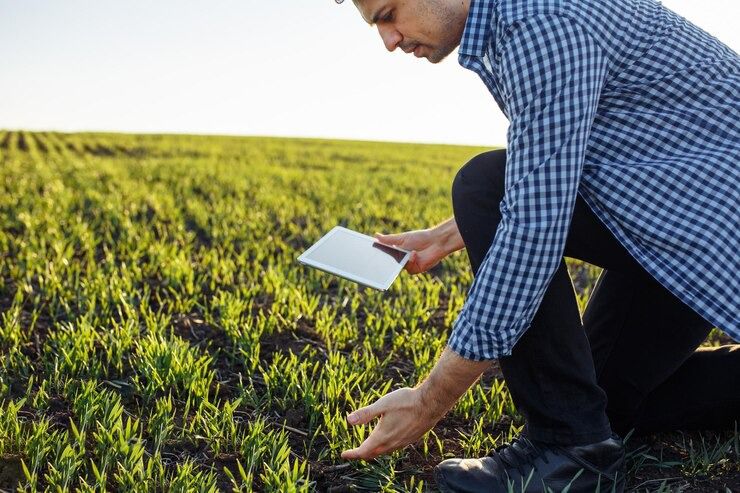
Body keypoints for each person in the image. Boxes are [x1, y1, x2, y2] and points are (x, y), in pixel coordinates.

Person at [335, 0, 740, 491]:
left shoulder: (539, 23)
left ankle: (567, 449)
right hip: (675, 221)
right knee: (603, 406)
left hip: (711, 236)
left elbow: (531, 235)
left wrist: (430, 398)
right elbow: (562, 163)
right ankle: (582, 433)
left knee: (484, 183)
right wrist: (446, 235)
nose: (389, 40)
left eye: (388, 13)